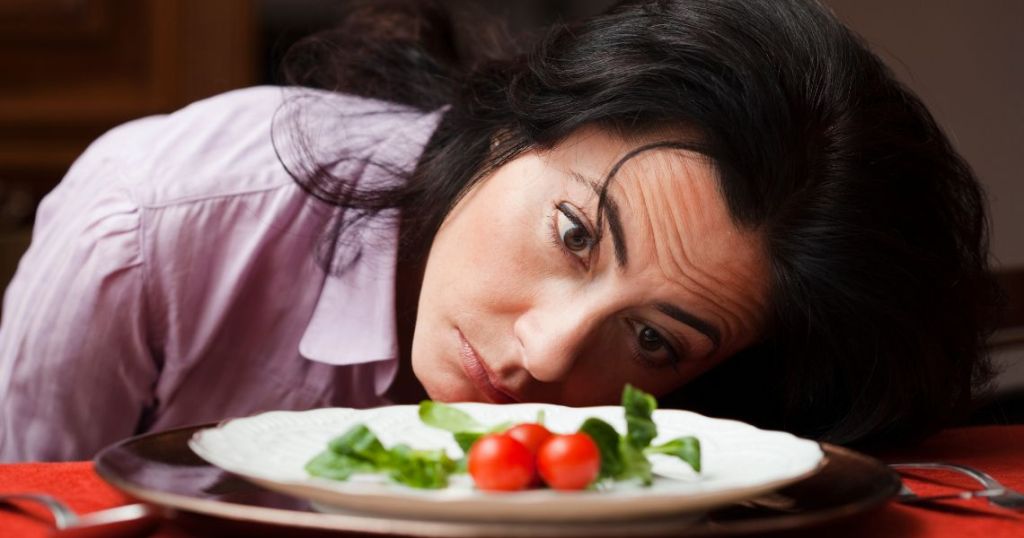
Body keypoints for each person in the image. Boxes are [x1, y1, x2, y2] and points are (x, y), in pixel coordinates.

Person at [0, 0, 999, 461]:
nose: (547, 350)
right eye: (573, 232)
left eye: (652, 338)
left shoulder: (699, 426)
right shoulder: (149, 224)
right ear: (515, 120)